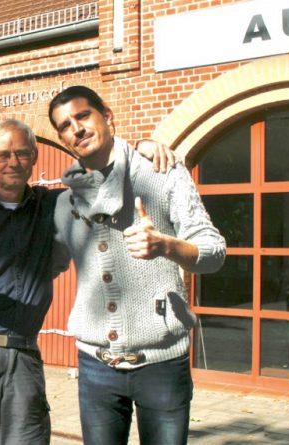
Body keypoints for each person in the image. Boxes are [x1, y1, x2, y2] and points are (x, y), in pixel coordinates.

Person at [0, 119, 174, 444]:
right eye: (2, 155)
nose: (13, 162)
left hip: (23, 356)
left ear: (34, 157)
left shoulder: (52, 205)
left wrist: (140, 148)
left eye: (22, 154)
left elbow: (103, 180)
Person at [49, 86, 226, 445]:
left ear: (107, 117)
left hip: (161, 364)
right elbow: (44, 265)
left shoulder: (161, 173)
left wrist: (166, 245)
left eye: (83, 116)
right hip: (95, 364)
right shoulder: (64, 203)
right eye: (65, 125)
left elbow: (214, 251)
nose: (76, 129)